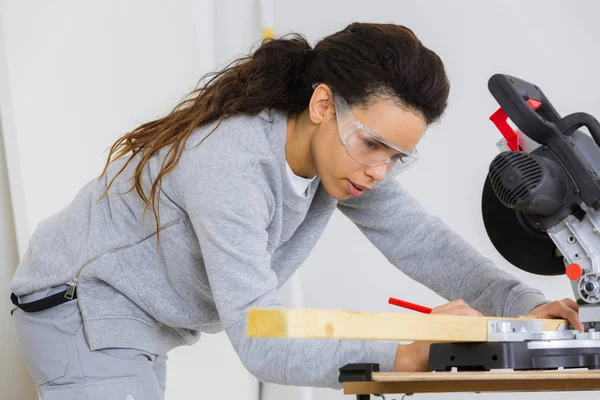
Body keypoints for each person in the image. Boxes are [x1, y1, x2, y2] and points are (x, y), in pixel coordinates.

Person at [9, 22, 582, 399]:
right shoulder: (232, 164)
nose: (379, 170)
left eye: (398, 156)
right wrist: (413, 350)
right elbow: (261, 343)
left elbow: (423, 242)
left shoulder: (345, 159)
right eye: (374, 144)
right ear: (323, 104)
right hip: (79, 308)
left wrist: (523, 304)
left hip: (142, 319)